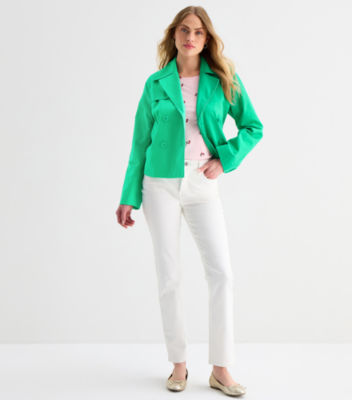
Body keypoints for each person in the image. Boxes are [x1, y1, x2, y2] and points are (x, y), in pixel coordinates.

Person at [115, 5, 263, 396]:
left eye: (198, 32)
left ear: (207, 38)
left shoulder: (224, 78)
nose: (190, 37)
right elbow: (139, 143)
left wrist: (224, 159)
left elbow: (252, 126)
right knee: (170, 276)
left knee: (221, 273)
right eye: (184, 30)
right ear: (174, 35)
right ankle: (178, 365)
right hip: (158, 185)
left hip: (202, 184)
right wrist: (129, 196)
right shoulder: (156, 83)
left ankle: (220, 368)